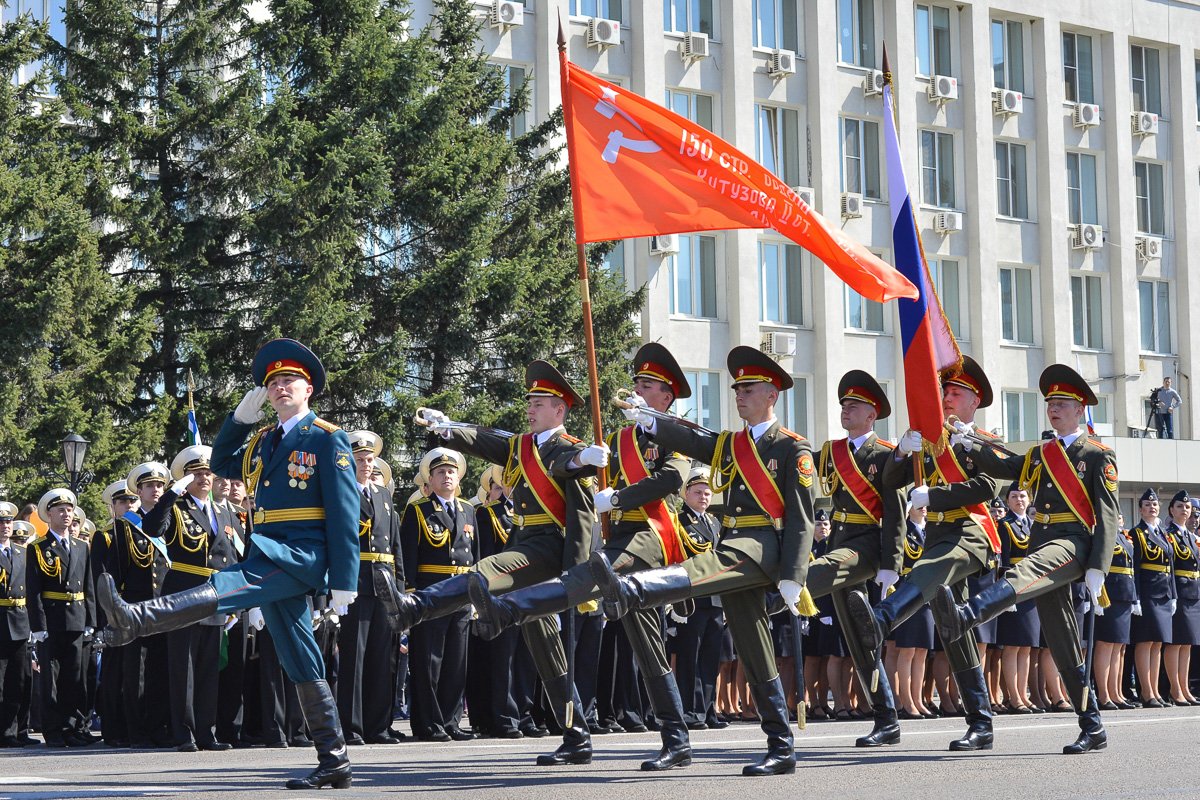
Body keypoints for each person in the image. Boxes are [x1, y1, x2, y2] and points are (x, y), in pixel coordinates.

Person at [97, 338, 359, 789]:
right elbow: (221, 464)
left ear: (308, 388)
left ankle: (136, 618)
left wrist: (344, 579)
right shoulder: (261, 440)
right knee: (301, 658)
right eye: (273, 383)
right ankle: (334, 757)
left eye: (289, 381)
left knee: (226, 585)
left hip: (300, 556)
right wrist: (238, 421)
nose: (279, 388)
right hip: (269, 551)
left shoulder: (326, 437)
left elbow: (344, 510)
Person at [468, 343, 696, 771]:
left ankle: (516, 607)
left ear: (666, 397)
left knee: (598, 573)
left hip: (650, 533)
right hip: (611, 539)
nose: (637, 391)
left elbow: (671, 480)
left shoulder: (676, 432)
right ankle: (595, 736)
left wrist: (618, 498)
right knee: (647, 646)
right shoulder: (617, 438)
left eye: (647, 386)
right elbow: (577, 486)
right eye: (637, 384)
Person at [591, 345, 815, 776]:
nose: (739, 395)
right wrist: (649, 419)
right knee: (754, 648)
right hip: (737, 541)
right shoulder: (731, 444)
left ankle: (632, 587)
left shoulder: (792, 448)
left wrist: (794, 575)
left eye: (748, 388)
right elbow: (692, 438)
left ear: (772, 395)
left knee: (706, 567)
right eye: (737, 389)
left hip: (762, 545)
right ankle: (781, 745)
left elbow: (802, 515)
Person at [396, 360, 604, 767]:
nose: (530, 408)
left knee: (484, 572)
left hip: (549, 550)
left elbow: (580, 517)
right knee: (549, 654)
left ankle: (417, 606)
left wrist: (576, 579)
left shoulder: (574, 451)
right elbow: (486, 440)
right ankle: (577, 735)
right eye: (530, 402)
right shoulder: (522, 446)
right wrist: (449, 428)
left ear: (559, 410)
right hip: (525, 540)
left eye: (540, 403)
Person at [932, 364, 1119, 754]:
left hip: (1074, 543)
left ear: (1080, 407)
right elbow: (1006, 467)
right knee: (1062, 637)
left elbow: (1107, 515)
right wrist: (969, 442)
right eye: (1050, 403)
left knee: (1027, 570)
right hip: (1043, 539)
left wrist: (1100, 567)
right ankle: (1093, 724)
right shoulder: (1042, 452)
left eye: (1062, 403)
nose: (1053, 409)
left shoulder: (1098, 455)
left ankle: (969, 613)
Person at [842, 356, 1001, 752]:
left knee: (937, 565)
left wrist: (937, 495)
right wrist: (900, 452)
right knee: (954, 630)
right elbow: (890, 481)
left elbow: (987, 487)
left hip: (972, 529)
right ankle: (981, 723)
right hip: (938, 533)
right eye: (944, 391)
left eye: (956, 393)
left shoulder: (984, 440)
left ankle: (884, 617)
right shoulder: (928, 437)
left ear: (974, 401)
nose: (947, 398)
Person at [803, 370, 905, 746]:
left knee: (818, 574)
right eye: (844, 404)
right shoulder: (831, 453)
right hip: (839, 543)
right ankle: (886, 719)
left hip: (866, 545)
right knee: (860, 640)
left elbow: (895, 510)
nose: (846, 410)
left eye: (854, 405)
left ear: (871, 414)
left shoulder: (885, 455)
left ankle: (777, 592)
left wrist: (891, 564)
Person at [142, 445, 241, 752]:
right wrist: (172, 494)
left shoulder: (223, 510)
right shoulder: (177, 507)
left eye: (208, 473)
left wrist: (234, 599)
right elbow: (151, 527)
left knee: (209, 667)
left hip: (214, 595)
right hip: (183, 594)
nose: (204, 478)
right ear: (186, 479)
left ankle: (206, 731)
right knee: (182, 668)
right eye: (196, 474)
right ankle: (183, 732)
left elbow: (231, 557)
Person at [401, 447, 477, 743]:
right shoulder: (418, 510)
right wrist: (410, 596)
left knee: (456, 662)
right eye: (441, 472)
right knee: (429, 661)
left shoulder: (468, 510)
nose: (447, 476)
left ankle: (451, 720)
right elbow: (408, 557)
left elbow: (476, 556)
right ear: (429, 480)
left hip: (461, 593)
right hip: (431, 594)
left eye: (451, 472)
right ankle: (428, 723)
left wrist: (477, 595)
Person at [337, 430, 405, 746]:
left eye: (369, 459)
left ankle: (379, 725)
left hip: (384, 584)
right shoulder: (340, 492)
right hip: (355, 583)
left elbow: (395, 546)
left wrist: (400, 589)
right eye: (360, 459)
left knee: (382, 657)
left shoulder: (383, 495)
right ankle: (351, 726)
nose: (366, 464)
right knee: (355, 658)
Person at [27, 488, 97, 747]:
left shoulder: (81, 546)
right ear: (49, 515)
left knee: (75, 676)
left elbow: (88, 586)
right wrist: (39, 626)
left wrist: (92, 621)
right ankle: (54, 730)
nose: (66, 514)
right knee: (51, 680)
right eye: (60, 510)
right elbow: (33, 590)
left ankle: (74, 727)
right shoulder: (38, 548)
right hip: (53, 618)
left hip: (77, 617)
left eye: (69, 510)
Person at [112, 464, 173, 748]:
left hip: (165, 604)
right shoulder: (125, 524)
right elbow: (115, 571)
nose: (156, 490)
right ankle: (135, 730)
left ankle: (157, 725)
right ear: (139, 491)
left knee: (160, 668)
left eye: (160, 486)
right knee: (135, 671)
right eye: (150, 486)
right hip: (135, 606)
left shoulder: (171, 520)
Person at [672, 468, 726, 731]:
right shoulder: (679, 521)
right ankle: (691, 711)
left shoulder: (715, 523)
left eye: (707, 493)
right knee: (689, 657)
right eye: (698, 492)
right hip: (692, 598)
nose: (704, 497)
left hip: (715, 599)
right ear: (686, 494)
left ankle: (708, 708)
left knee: (711, 658)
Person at [993, 483, 1041, 713]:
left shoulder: (1034, 525)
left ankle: (1023, 694)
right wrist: (1005, 594)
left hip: (1032, 588)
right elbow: (1002, 563)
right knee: (1012, 647)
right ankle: (1013, 697)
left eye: (1022, 496)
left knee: (1026, 647)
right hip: (1013, 588)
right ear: (1008, 500)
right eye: (1014, 496)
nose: (1019, 500)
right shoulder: (1004, 525)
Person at [886, 502, 936, 719]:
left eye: (925, 505)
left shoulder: (931, 530)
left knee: (922, 651)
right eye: (918, 505)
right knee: (906, 650)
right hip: (906, 590)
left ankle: (917, 698)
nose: (923, 508)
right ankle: (903, 701)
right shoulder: (904, 530)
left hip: (927, 593)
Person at [1128, 488, 1174, 708]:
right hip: (1147, 592)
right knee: (1146, 642)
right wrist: (1135, 597)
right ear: (1140, 509)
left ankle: (1155, 691)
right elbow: (1135, 568)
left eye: (1154, 504)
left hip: (1164, 594)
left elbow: (1171, 566)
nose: (1151, 507)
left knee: (1157, 644)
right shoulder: (1136, 534)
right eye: (1147, 504)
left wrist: (1173, 594)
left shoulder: (1164, 533)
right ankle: (1146, 692)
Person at [1094, 514, 1136, 709]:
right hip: (1109, 595)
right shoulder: (1101, 534)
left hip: (1125, 595)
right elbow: (1096, 566)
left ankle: (1116, 692)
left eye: (1120, 516)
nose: (1118, 519)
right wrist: (1096, 597)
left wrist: (1134, 597)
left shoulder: (1123, 537)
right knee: (1106, 645)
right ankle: (1104, 695)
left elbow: (1130, 567)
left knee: (1119, 647)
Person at [1163, 490, 1199, 705]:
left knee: (1187, 644)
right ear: (1171, 510)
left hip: (1193, 593)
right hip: (1179, 591)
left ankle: (1185, 688)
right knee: (1176, 643)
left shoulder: (1190, 536)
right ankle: (1175, 689)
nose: (1184, 510)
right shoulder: (1168, 535)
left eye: (1187, 507)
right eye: (1179, 506)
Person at [0, 501, 30, 747]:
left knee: (16, 681)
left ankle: (13, 731)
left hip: (19, 621)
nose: (5, 526)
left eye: (8, 521)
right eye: (0, 523)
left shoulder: (22, 552)